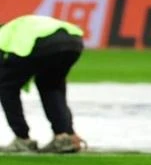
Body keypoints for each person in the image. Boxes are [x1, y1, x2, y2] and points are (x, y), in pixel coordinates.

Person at [0, 15, 86, 154]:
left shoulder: (5, 35)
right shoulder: (15, 27)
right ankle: (65, 136)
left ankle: (22, 139)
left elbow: (6, 72)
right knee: (51, 85)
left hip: (43, 44)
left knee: (6, 88)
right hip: (73, 40)